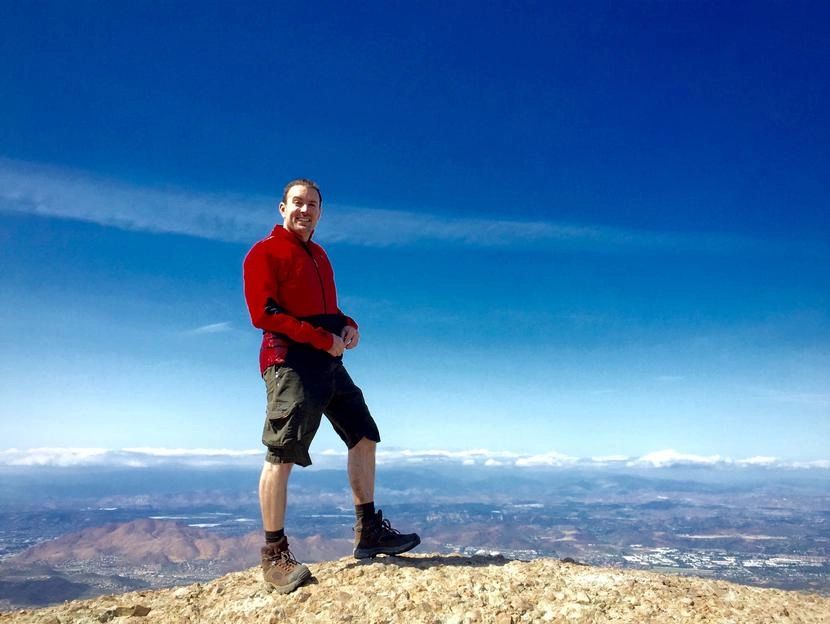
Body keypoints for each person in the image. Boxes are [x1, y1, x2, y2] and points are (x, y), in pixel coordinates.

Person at [243, 178, 420, 593]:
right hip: (289, 360)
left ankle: (369, 532)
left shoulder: (320, 256)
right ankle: (273, 556)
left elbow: (325, 310)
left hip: (327, 359)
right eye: (298, 203)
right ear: (282, 208)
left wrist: (347, 325)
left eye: (313, 205)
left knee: (363, 434)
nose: (305, 210)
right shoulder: (264, 252)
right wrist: (323, 339)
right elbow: (264, 313)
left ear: (321, 212)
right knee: (282, 453)